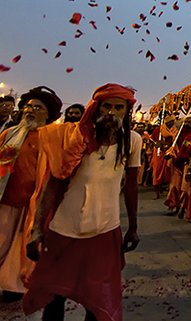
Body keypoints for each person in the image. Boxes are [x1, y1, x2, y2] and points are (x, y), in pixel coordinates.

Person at [23, 83, 141, 321]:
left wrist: (133, 228)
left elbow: (131, 187)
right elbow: (52, 184)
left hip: (104, 230)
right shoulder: (75, 138)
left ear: (126, 112)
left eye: (118, 108)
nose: (111, 112)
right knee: (54, 300)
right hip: (64, 229)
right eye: (106, 106)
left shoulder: (133, 141)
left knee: (96, 303)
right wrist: (36, 229)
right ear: (96, 108)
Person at [0, 87, 62, 301]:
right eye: (28, 106)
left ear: (48, 114)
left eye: (37, 107)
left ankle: (12, 287)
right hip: (5, 199)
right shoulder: (9, 133)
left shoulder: (52, 138)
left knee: (19, 251)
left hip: (31, 204)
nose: (31, 110)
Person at [150, 114, 176, 199]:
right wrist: (157, 143)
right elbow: (152, 140)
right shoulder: (159, 129)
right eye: (170, 122)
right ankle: (156, 193)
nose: (171, 123)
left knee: (168, 172)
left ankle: (166, 190)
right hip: (159, 153)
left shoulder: (175, 130)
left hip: (169, 153)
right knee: (157, 172)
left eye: (173, 122)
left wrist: (167, 145)